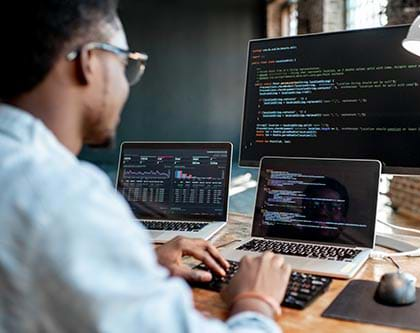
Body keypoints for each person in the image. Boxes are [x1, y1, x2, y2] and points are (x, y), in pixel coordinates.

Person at [0, 1, 291, 332]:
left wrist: (133, 264)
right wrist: (255, 301)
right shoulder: (65, 198)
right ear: (89, 61)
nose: (127, 84)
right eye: (126, 64)